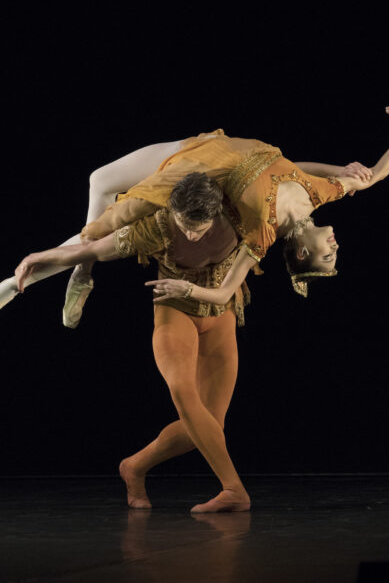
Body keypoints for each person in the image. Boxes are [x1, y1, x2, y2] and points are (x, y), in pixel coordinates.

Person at [0, 87, 389, 320]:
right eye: (333, 253)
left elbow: (226, 291)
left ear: (302, 251)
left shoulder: (261, 234)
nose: (336, 246)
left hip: (197, 175)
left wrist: (187, 289)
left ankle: (32, 277)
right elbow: (371, 174)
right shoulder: (323, 192)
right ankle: (81, 273)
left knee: (111, 226)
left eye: (327, 256)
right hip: (201, 145)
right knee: (99, 180)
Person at [13, 172, 252, 512]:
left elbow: (288, 189)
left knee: (211, 424)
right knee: (184, 394)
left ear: (215, 215)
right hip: (174, 311)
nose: (189, 234)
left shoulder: (243, 216)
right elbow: (93, 248)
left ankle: (134, 466)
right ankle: (234, 490)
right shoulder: (157, 227)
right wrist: (35, 257)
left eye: (197, 228)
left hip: (223, 313)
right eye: (183, 224)